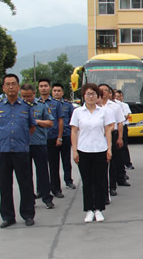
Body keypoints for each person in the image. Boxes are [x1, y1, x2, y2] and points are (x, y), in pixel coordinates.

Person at [0, 74, 37, 228]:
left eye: (13, 84)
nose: (10, 87)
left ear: (18, 87)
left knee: (26, 183)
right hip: (3, 151)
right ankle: (8, 216)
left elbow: (32, 127)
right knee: (4, 184)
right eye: (7, 84)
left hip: (21, 150)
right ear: (3, 87)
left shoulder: (26, 107)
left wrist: (20, 139)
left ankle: (28, 214)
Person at [70, 84, 114, 222]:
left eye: (94, 94)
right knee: (87, 181)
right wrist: (75, 150)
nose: (91, 96)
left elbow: (107, 130)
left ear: (98, 96)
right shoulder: (78, 112)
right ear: (83, 96)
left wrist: (109, 148)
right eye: (88, 94)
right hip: (83, 150)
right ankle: (89, 209)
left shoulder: (103, 112)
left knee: (100, 181)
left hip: (100, 150)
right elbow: (74, 131)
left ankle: (99, 209)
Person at [20, 84, 55, 209]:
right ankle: (29, 199)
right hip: (23, 145)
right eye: (23, 96)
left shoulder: (41, 106)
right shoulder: (18, 107)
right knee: (25, 174)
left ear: (34, 94)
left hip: (39, 144)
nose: (26, 99)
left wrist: (36, 122)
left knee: (43, 172)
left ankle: (47, 198)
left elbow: (50, 123)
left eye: (28, 96)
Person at [98, 84, 129, 197]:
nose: (103, 92)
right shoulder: (94, 106)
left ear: (109, 93)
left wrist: (120, 137)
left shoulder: (115, 106)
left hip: (113, 134)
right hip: (99, 136)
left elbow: (120, 122)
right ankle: (102, 187)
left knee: (113, 162)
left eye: (106, 90)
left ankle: (112, 187)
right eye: (101, 90)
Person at [38, 78, 65, 198]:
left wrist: (59, 137)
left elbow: (60, 121)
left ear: (49, 88)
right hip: (38, 139)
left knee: (54, 165)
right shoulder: (34, 103)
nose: (43, 88)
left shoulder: (56, 103)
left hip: (52, 137)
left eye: (45, 86)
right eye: (41, 86)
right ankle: (41, 190)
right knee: (40, 166)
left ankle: (56, 189)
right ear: (38, 88)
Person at [51, 83, 76, 189]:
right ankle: (55, 185)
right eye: (55, 91)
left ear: (62, 92)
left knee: (66, 160)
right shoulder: (48, 105)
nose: (57, 93)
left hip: (65, 135)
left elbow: (73, 120)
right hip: (52, 136)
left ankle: (68, 180)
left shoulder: (68, 106)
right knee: (53, 162)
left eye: (59, 91)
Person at [114, 89, 134, 170]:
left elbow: (126, 116)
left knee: (124, 146)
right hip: (114, 128)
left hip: (123, 127)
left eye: (119, 96)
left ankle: (128, 163)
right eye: (115, 96)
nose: (117, 98)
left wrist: (119, 118)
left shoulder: (124, 105)